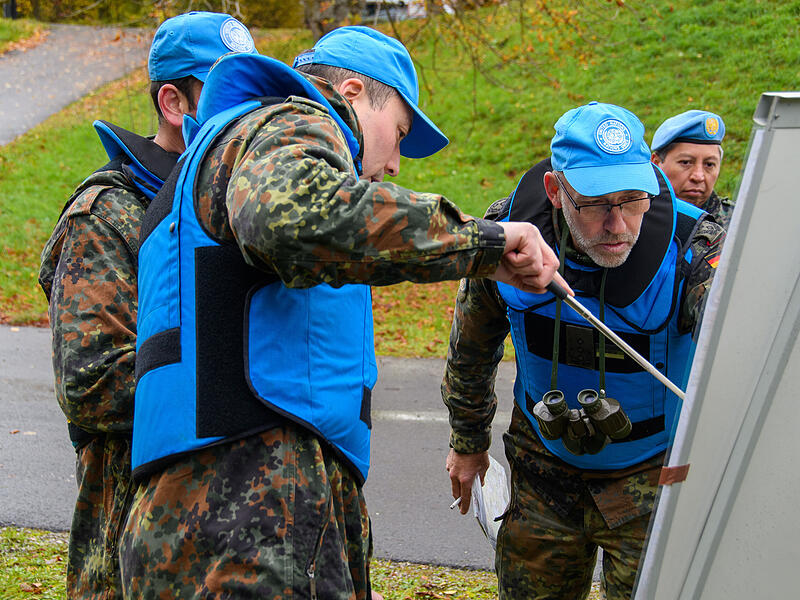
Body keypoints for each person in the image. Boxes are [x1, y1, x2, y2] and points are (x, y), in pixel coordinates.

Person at [118, 25, 566, 600]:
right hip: (254, 506)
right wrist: (480, 242)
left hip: (192, 516)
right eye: (399, 133)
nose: (397, 163)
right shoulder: (291, 121)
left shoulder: (205, 163)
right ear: (352, 92)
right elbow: (291, 219)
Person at [443, 101, 725, 600]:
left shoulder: (697, 247)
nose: (618, 225)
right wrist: (468, 443)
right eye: (595, 204)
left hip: (654, 482)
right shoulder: (503, 237)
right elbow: (471, 347)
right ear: (555, 190)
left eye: (633, 200)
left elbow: (741, 342)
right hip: (543, 476)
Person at [37, 12, 256, 599]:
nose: (249, 113)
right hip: (130, 560)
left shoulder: (239, 210)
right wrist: (248, 384)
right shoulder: (107, 215)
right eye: (228, 92)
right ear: (172, 101)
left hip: (231, 554)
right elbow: (93, 382)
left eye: (255, 94)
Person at [651, 109, 734, 229]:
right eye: (686, 162)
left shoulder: (739, 221)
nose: (698, 176)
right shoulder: (631, 216)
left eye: (709, 164)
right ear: (656, 163)